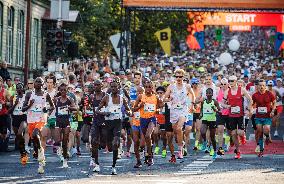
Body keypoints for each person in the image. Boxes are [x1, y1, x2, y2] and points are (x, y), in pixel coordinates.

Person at [96, 78, 131, 175]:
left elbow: (129, 110)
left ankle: (113, 166)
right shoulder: (106, 98)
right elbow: (97, 110)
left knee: (116, 142)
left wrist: (129, 112)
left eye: (115, 86)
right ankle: (113, 149)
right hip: (108, 123)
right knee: (110, 147)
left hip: (117, 122)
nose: (113, 88)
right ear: (110, 88)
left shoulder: (121, 98)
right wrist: (104, 113)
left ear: (119, 87)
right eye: (112, 87)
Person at [22, 77, 54, 174]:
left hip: (41, 119)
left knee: (36, 134)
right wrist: (29, 105)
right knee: (34, 140)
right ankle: (40, 152)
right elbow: (23, 109)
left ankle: (41, 154)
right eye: (37, 81)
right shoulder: (29, 94)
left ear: (43, 84)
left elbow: (52, 106)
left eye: (40, 82)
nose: (39, 83)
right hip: (31, 120)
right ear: (34, 83)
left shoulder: (45, 94)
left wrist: (47, 113)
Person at [164, 69, 195, 159]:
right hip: (173, 111)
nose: (178, 78)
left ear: (183, 77)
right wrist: (168, 99)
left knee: (179, 128)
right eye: (176, 76)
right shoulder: (171, 86)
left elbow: (193, 95)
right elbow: (164, 98)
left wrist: (192, 106)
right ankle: (182, 142)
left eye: (180, 77)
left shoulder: (187, 86)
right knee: (176, 131)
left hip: (183, 110)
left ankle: (180, 149)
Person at [133, 80, 162, 166]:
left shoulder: (155, 97)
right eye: (146, 87)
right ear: (144, 88)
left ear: (152, 88)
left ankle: (150, 156)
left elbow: (160, 107)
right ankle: (145, 155)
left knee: (147, 136)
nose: (148, 89)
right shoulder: (140, 96)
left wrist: (158, 110)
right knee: (143, 142)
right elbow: (133, 109)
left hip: (152, 119)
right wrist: (140, 106)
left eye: (150, 87)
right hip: (142, 120)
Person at [223, 75, 252, 159]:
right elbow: (222, 102)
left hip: (240, 115)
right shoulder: (227, 91)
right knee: (233, 133)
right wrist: (225, 106)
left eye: (232, 81)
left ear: (236, 81)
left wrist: (249, 108)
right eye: (230, 81)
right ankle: (238, 151)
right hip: (231, 115)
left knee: (239, 132)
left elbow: (250, 99)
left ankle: (243, 136)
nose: (230, 82)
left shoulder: (241, 90)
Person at [54, 81, 77, 168]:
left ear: (67, 91)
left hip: (66, 121)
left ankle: (65, 160)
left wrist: (69, 108)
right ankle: (60, 151)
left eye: (65, 90)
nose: (63, 91)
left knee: (65, 140)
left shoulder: (69, 99)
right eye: (61, 90)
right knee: (57, 140)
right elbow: (51, 106)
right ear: (59, 90)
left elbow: (75, 108)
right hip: (58, 121)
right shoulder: (56, 99)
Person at [252, 79, 276, 157]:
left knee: (266, 129)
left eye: (263, 85)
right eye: (260, 85)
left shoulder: (269, 94)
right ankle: (261, 151)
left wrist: (273, 111)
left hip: (267, 116)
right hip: (258, 116)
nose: (262, 87)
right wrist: (250, 110)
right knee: (260, 131)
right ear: (258, 86)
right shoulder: (255, 95)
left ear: (265, 86)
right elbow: (252, 104)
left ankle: (268, 136)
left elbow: (274, 102)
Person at [9, 83, 28, 164]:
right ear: (16, 89)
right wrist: (15, 104)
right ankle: (23, 153)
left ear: (23, 89)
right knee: (18, 136)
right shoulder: (13, 97)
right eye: (17, 88)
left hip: (23, 117)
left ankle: (25, 148)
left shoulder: (26, 97)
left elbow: (29, 107)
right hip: (15, 118)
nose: (19, 89)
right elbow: (9, 111)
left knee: (20, 133)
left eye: (20, 87)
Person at [89, 80, 106, 173]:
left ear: (101, 85)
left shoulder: (106, 96)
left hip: (105, 122)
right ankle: (96, 163)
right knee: (94, 141)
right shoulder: (92, 97)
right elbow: (91, 108)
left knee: (103, 144)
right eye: (94, 85)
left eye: (98, 85)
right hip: (95, 122)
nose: (96, 86)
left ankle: (100, 146)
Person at [200, 88, 221, 159]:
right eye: (207, 93)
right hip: (205, 119)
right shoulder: (203, 101)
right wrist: (200, 114)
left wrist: (215, 109)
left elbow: (219, 110)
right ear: (205, 94)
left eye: (210, 93)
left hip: (212, 120)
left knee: (212, 137)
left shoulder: (214, 101)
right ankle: (205, 143)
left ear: (212, 94)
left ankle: (214, 151)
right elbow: (201, 109)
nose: (208, 94)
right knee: (202, 131)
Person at [0, 76, 11, 152]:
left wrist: (5, 103)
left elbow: (11, 103)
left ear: (2, 82)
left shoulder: (5, 91)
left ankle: (4, 145)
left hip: (4, 114)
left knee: (4, 131)